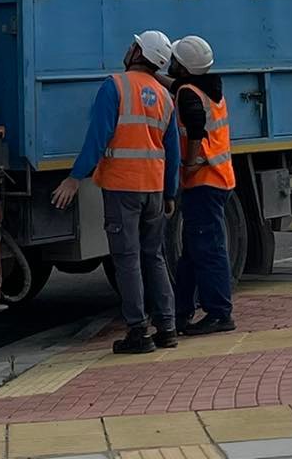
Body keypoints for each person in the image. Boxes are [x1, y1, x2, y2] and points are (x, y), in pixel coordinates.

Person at [50, 31, 181, 354]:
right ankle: (167, 327)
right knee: (155, 258)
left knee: (127, 260)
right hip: (153, 188)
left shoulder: (115, 86)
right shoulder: (165, 96)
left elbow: (98, 136)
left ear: (138, 53)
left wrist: (74, 178)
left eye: (132, 45)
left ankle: (139, 331)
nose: (128, 48)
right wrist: (170, 193)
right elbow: (173, 150)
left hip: (123, 188)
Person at [167, 34, 236, 335]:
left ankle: (220, 314)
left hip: (204, 181)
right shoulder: (209, 89)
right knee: (193, 252)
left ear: (183, 67)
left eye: (174, 60)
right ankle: (181, 311)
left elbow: (195, 128)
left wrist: (190, 161)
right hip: (218, 178)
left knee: (207, 250)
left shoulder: (187, 93)